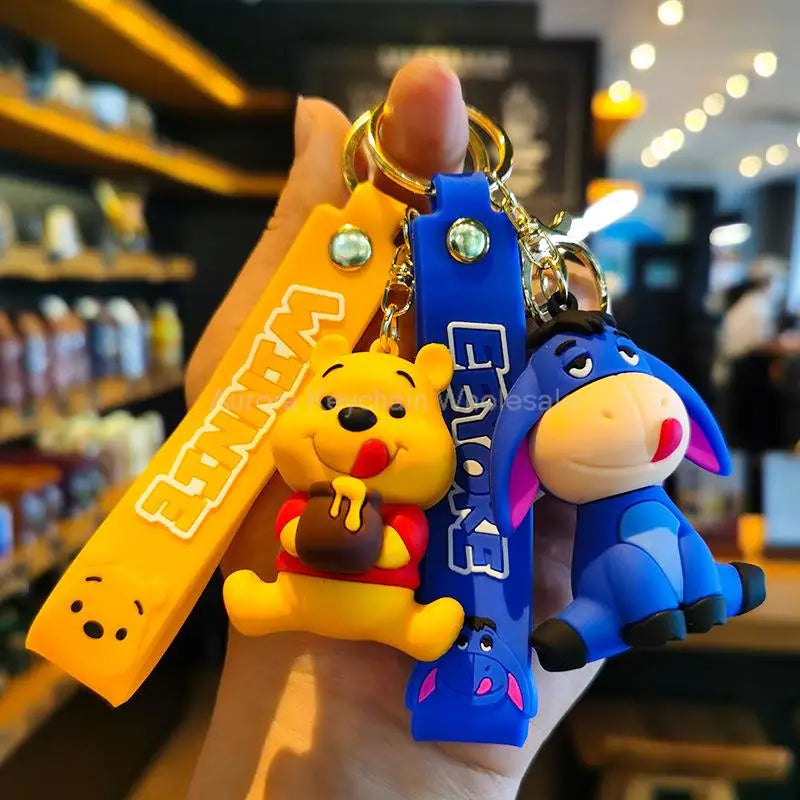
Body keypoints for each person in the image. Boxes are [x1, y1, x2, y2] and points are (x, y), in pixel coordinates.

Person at [184, 57, 601, 800]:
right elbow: (290, 528)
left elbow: (408, 541)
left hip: (409, 622)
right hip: (302, 603)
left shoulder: (413, 491)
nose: (355, 424)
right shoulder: (313, 473)